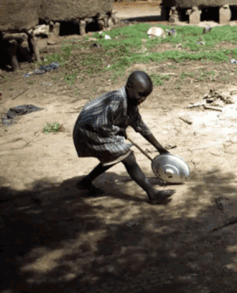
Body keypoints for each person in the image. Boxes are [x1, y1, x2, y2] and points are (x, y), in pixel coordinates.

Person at [73, 71, 175, 204]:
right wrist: (119, 130)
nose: (142, 99)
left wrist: (160, 149)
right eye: (141, 94)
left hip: (98, 129)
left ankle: (86, 182)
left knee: (115, 155)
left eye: (146, 96)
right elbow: (101, 124)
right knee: (127, 156)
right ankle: (152, 193)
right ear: (129, 87)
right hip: (87, 130)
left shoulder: (131, 103)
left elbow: (140, 126)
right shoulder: (117, 99)